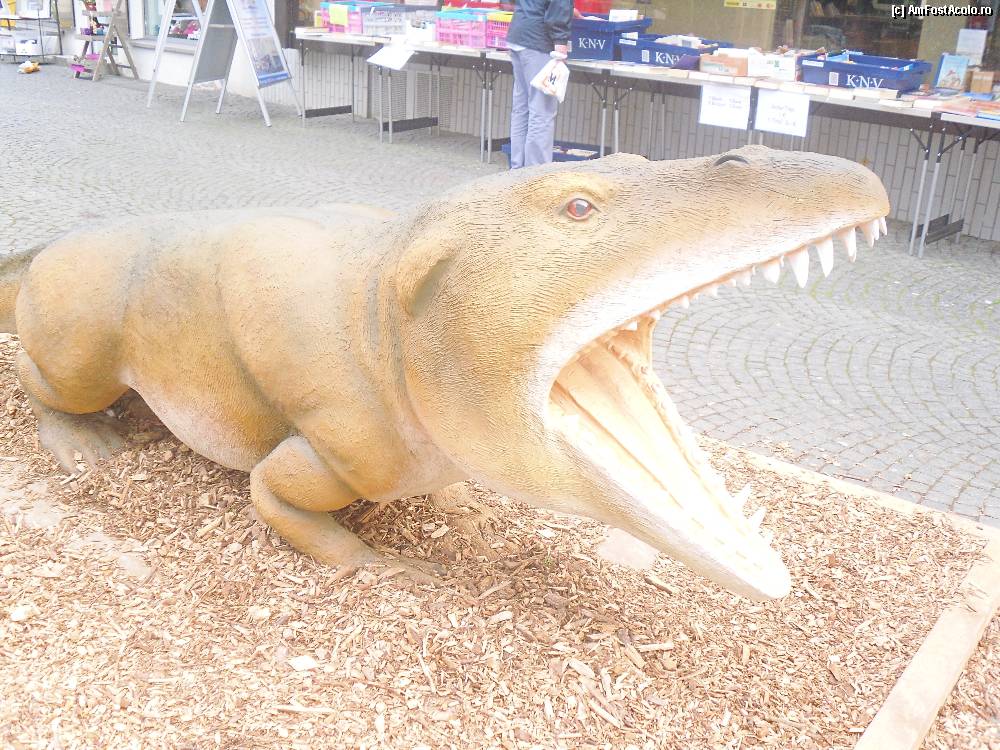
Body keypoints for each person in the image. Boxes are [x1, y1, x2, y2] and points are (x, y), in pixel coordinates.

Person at [505, 0, 575, 169]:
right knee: (541, 111)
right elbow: (559, 7)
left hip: (518, 34)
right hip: (538, 42)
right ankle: (536, 173)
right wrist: (561, 43)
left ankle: (517, 169)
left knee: (521, 109)